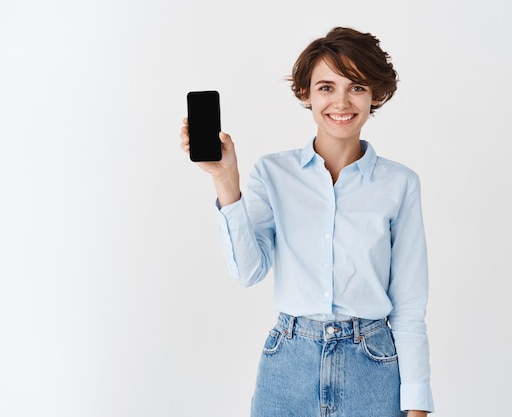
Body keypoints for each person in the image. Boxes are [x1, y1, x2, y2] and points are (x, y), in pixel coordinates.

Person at [180, 27, 434, 417]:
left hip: (373, 364)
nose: (342, 102)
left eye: (357, 88)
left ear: (375, 96)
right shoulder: (272, 173)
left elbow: (410, 305)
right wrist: (224, 179)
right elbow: (248, 271)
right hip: (288, 364)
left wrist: (417, 405)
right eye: (326, 88)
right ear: (306, 94)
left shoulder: (399, 184)